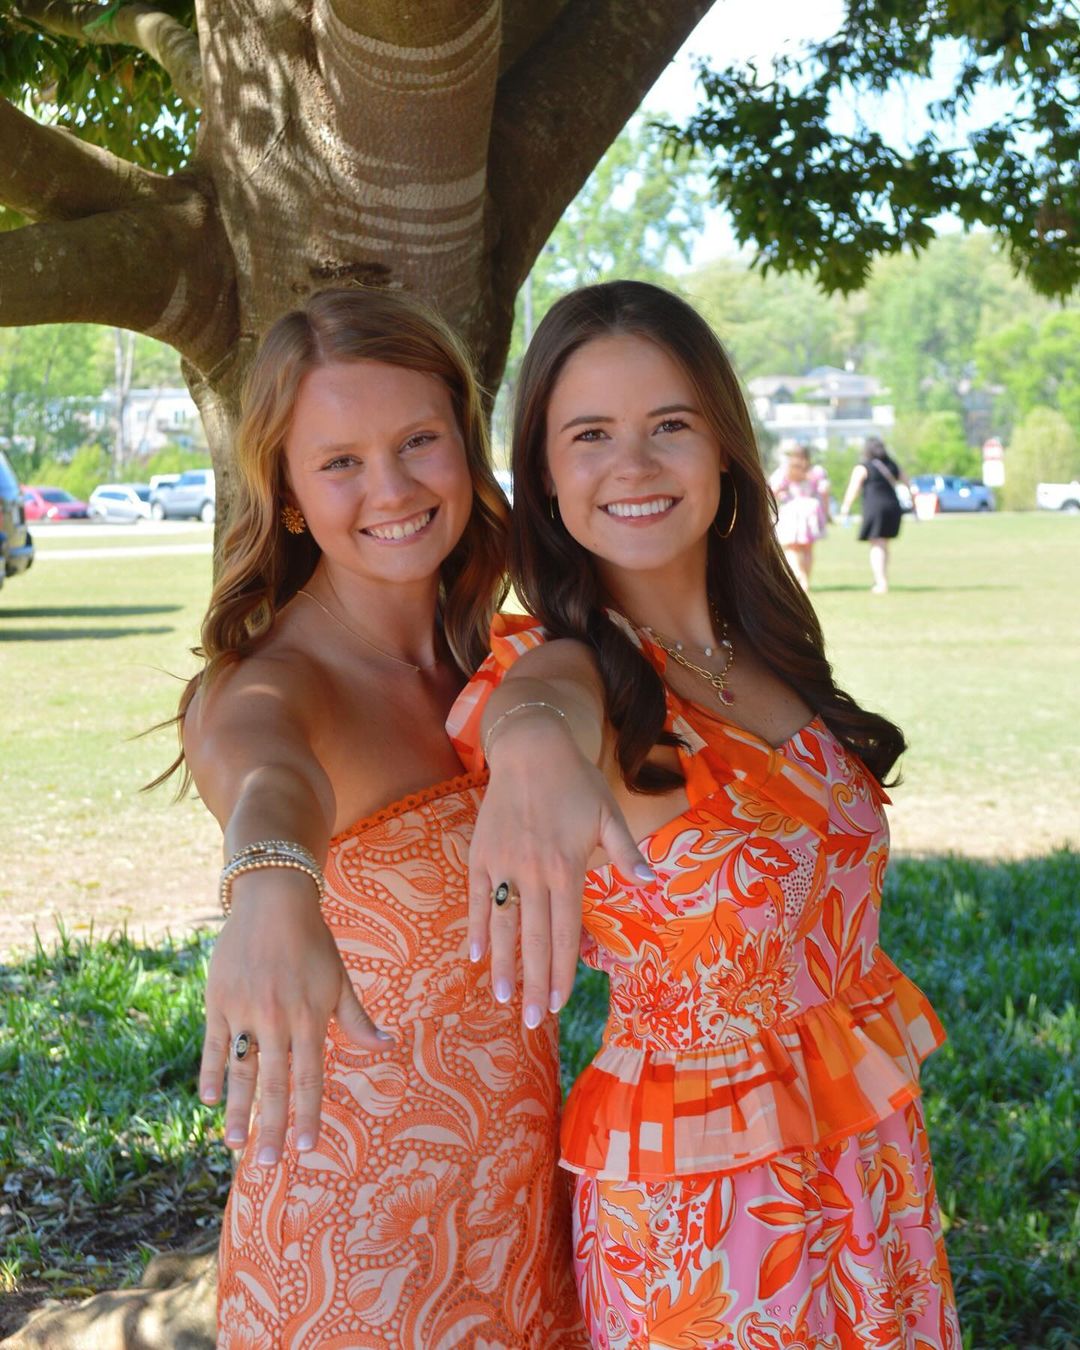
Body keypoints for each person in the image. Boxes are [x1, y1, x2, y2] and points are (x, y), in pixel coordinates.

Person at [450, 281, 961, 1347]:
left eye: (669, 425)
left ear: (723, 446)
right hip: (701, 1210)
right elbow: (540, 706)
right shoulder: (562, 668)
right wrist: (532, 743)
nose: (633, 465)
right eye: (590, 435)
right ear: (543, 476)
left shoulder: (759, 648)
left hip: (863, 1163)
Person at [169, 288, 587, 1347]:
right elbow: (268, 779)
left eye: (417, 442)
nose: (392, 488)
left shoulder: (499, 660)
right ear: (289, 494)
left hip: (526, 1225)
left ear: (464, 445)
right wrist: (270, 883)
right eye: (341, 461)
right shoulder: (269, 685)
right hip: (352, 1260)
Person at [839, 437, 910, 594]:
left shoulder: (863, 467)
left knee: (877, 544)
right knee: (883, 544)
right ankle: (882, 578)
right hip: (893, 507)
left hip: (875, 508)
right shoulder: (892, 465)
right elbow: (907, 482)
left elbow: (854, 488)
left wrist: (846, 507)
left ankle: (881, 581)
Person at [768, 442, 830, 590]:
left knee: (792, 547)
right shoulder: (816, 471)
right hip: (810, 509)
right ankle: (805, 580)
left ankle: (799, 574)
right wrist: (826, 512)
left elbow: (773, 490)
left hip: (792, 509)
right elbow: (824, 491)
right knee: (808, 548)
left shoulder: (785, 471)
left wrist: (781, 495)